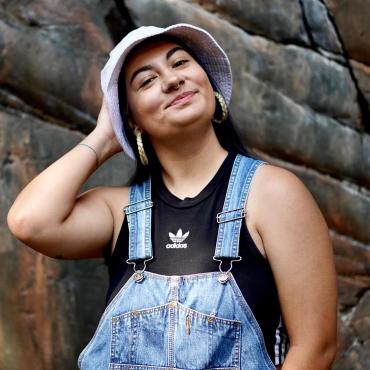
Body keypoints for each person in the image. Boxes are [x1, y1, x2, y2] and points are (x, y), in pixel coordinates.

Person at [7, 23, 337, 369]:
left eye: (180, 63)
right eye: (147, 81)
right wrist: (105, 138)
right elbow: (30, 221)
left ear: (208, 81)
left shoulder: (272, 193)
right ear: (132, 120)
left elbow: (316, 348)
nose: (172, 80)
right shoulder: (120, 212)